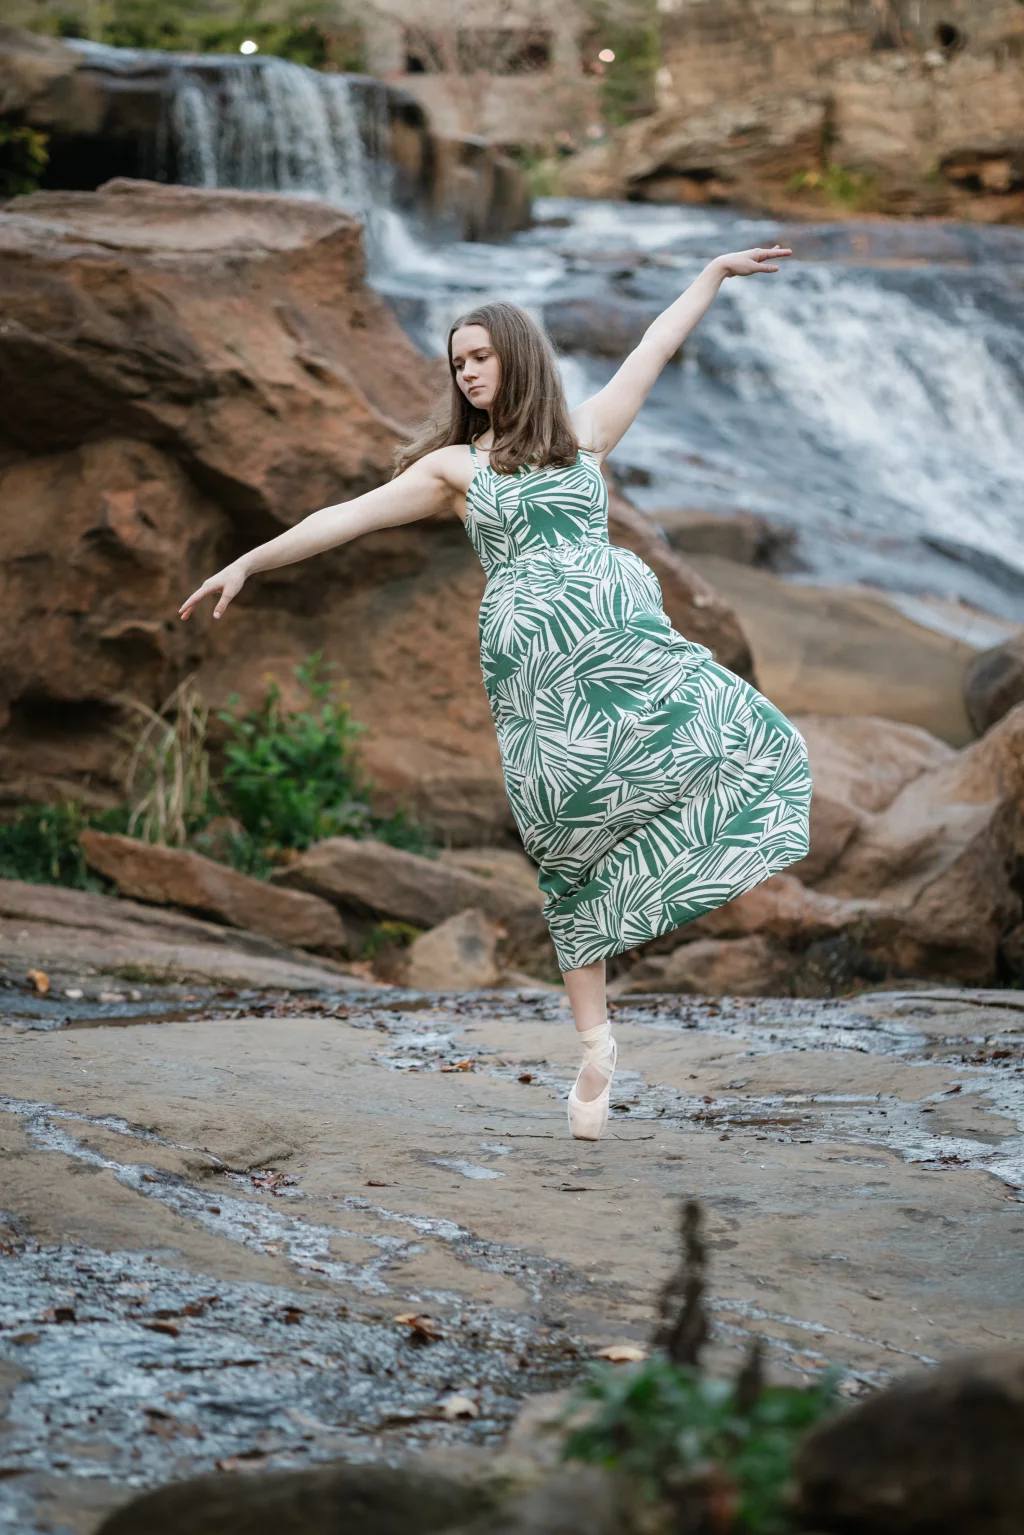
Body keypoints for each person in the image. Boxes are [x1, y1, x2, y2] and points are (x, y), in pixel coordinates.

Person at [180, 244, 812, 1143]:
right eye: (457, 363)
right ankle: (595, 1043)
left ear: (516, 354)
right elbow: (344, 517)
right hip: (538, 683)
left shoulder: (588, 433)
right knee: (562, 846)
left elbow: (656, 346)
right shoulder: (455, 471)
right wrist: (247, 560)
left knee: (739, 737)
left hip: (625, 655)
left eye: (479, 356)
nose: (468, 373)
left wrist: (710, 275)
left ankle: (674, 898)